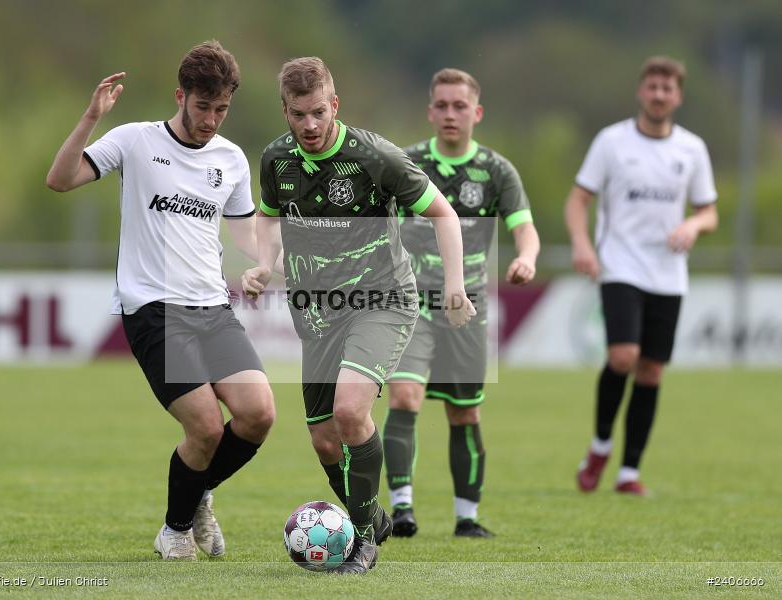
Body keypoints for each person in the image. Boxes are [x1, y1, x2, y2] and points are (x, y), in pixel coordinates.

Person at [242, 57, 474, 574]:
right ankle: (372, 515)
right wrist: (264, 263)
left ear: (335, 105)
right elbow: (267, 214)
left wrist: (455, 287)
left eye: (318, 112)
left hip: (381, 301)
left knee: (351, 413)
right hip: (318, 314)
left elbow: (443, 212)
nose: (309, 125)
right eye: (298, 114)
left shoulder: (373, 156)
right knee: (325, 440)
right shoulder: (276, 158)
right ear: (284, 110)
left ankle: (363, 541)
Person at [46, 40, 276, 560]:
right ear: (181, 96)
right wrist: (89, 117)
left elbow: (245, 238)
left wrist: (262, 266)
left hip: (213, 310)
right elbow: (59, 180)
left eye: (222, 109)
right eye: (203, 107)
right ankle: (174, 532)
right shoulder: (133, 141)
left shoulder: (231, 159)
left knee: (258, 415)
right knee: (206, 426)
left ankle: (195, 498)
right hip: (153, 310)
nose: (212, 119)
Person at [383, 68, 540, 539]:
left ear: (477, 112)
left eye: (459, 106)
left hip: (466, 308)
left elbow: (523, 227)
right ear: (430, 111)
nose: (450, 114)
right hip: (409, 303)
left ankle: (467, 516)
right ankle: (402, 510)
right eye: (442, 105)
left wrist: (527, 258)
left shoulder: (496, 170)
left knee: (464, 411)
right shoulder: (406, 163)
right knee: (404, 395)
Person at [565, 56, 718, 496]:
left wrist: (692, 225)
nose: (658, 95)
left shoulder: (692, 149)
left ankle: (629, 472)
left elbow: (709, 212)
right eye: (652, 86)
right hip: (621, 265)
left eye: (666, 89)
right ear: (641, 91)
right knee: (623, 357)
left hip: (669, 275)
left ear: (678, 96)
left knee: (651, 371)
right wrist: (582, 244)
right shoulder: (611, 142)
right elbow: (578, 200)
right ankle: (599, 447)